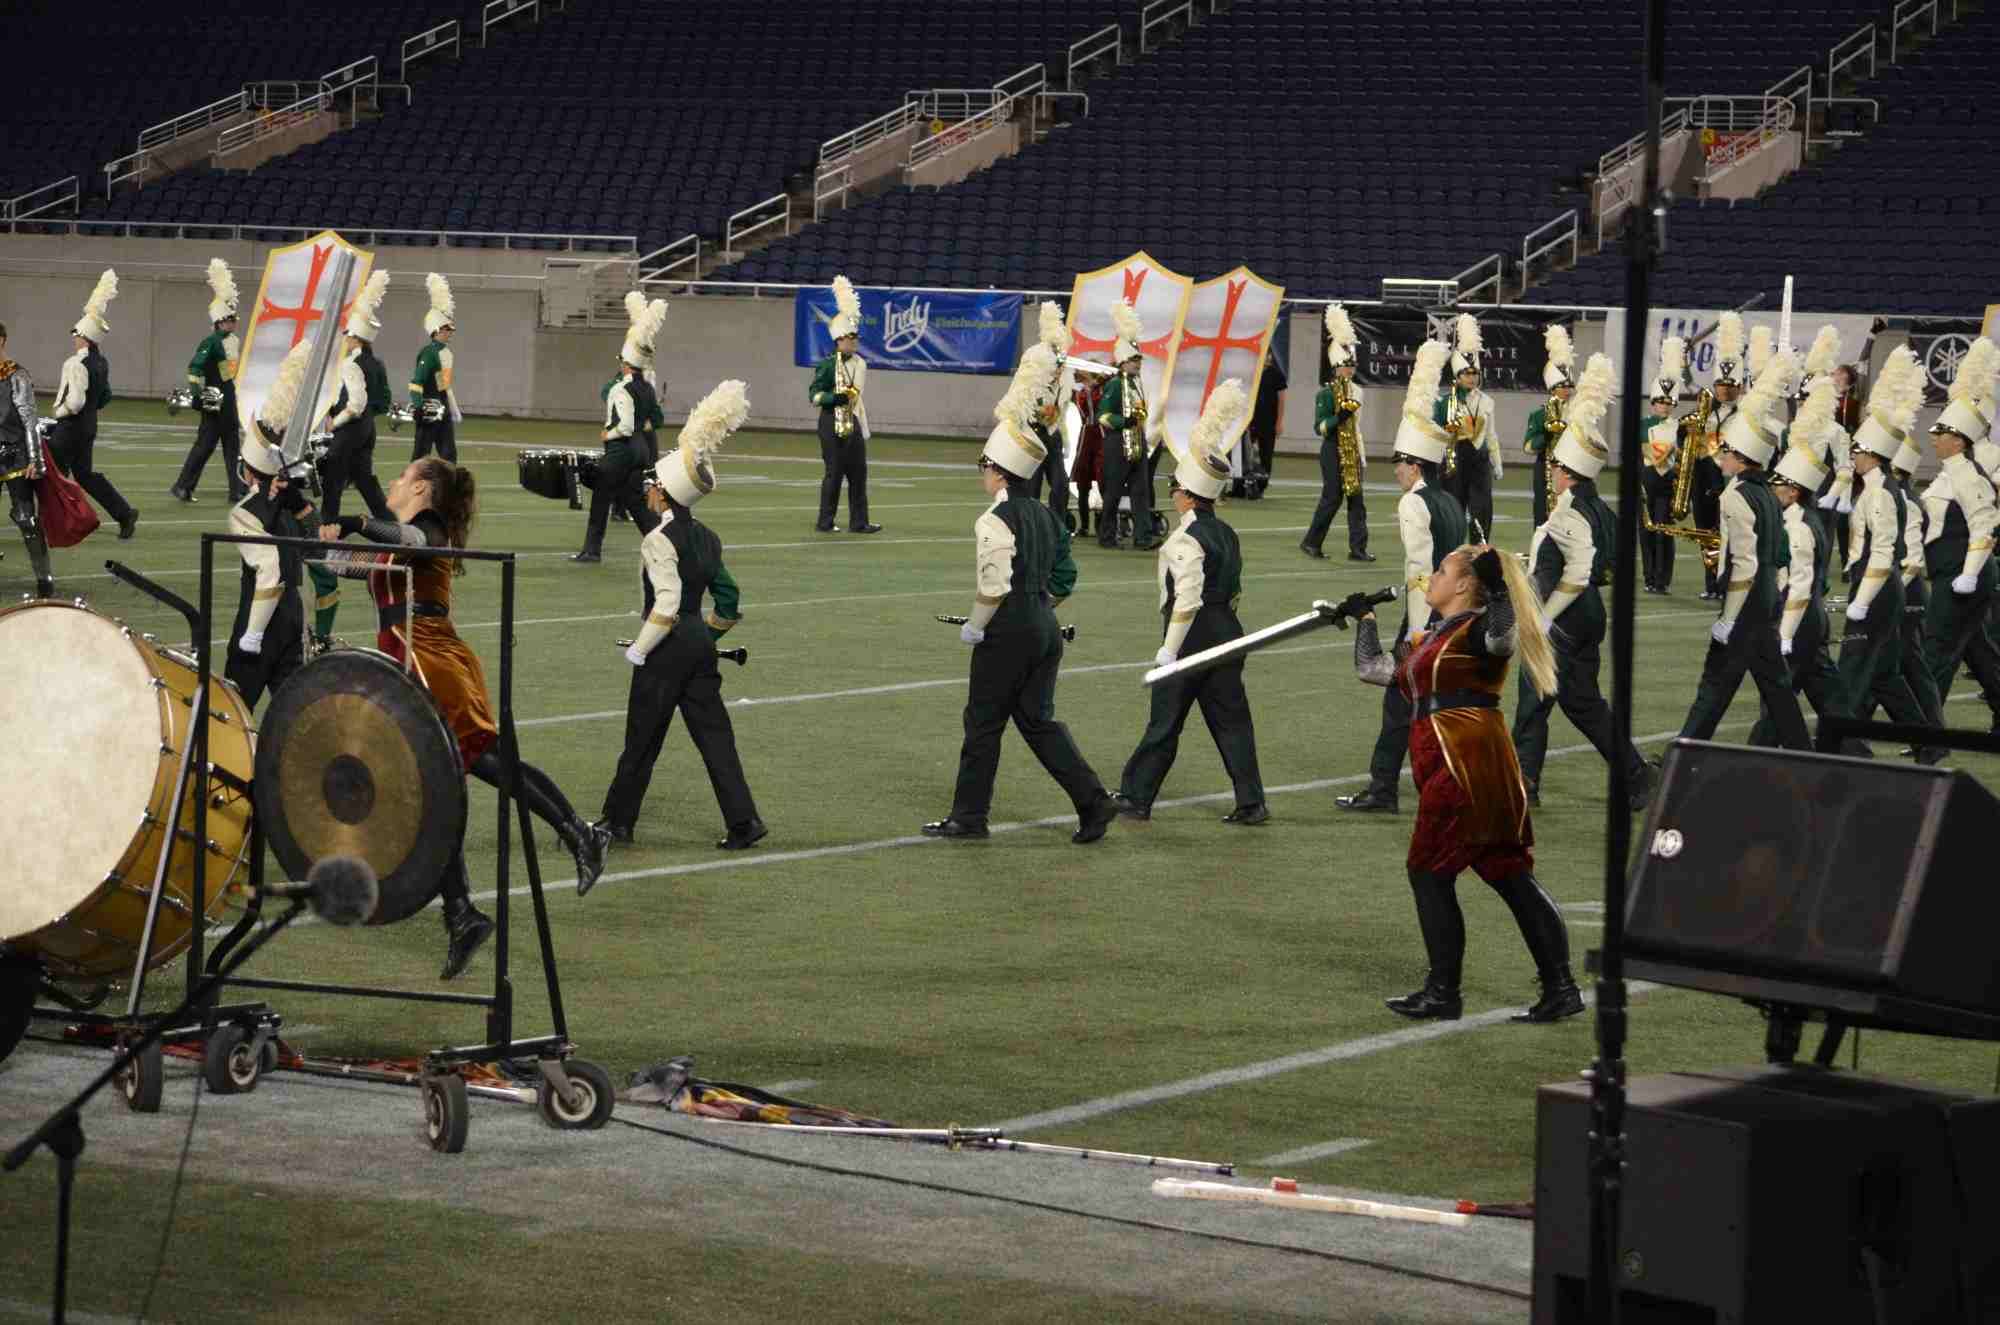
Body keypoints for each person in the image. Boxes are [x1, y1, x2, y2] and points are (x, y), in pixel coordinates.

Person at [317, 445, 611, 974]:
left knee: (482, 759)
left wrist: (357, 521)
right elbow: (341, 564)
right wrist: (305, 521)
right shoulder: (401, 543)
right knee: (434, 787)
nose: (393, 482)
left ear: (422, 488)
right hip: (408, 657)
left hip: (430, 656)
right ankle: (461, 914)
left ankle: (580, 834)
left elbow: (406, 540)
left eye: (403, 476)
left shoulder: (426, 528)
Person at [1350, 543, 1578, 1023]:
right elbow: (1376, 671)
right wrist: (1365, 619)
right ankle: (1560, 987)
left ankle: (1443, 992)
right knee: (1509, 874)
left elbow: (1503, 639)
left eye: (1442, 570)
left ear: (1464, 585)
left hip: (1462, 762)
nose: (1431, 577)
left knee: (1429, 871)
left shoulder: (1479, 629)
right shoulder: (1438, 634)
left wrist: (1497, 589)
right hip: (1467, 760)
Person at [922, 356, 1117, 844]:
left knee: (983, 724)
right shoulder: (1049, 517)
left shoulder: (993, 519)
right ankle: (1094, 802)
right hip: (1044, 628)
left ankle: (969, 818)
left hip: (1007, 632)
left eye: (985, 466)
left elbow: (993, 587)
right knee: (1038, 722)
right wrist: (1037, 609)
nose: (983, 474)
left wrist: (976, 625)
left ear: (1001, 472)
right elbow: (1065, 577)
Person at [598, 380, 765, 854]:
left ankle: (617, 822)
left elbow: (666, 606)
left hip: (667, 649)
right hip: (699, 647)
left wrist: (639, 648)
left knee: (641, 739)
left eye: (653, 485)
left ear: (665, 494)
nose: (649, 491)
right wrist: (705, 637)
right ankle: (745, 821)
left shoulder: (657, 539)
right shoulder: (708, 538)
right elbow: (728, 598)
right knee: (716, 740)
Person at [1113, 382, 1268, 825]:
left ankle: (1136, 797)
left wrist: (1169, 649)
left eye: (1175, 487)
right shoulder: (1227, 533)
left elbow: (1187, 600)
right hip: (1228, 631)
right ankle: (1252, 801)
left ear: (1185, 493)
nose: (1172, 493)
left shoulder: (1186, 537)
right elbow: (1233, 589)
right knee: (1232, 721)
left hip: (1192, 636)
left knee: (1164, 721)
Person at [1510, 353, 1655, 809]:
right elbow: (1602, 564)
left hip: (1566, 618)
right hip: (1591, 614)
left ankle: (1524, 783)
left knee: (1535, 700)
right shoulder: (1601, 509)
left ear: (1568, 473)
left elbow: (1580, 569)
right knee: (1581, 703)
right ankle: (1634, 777)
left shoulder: (1569, 510)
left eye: (1556, 466)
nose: (1551, 472)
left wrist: (1545, 617)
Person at [1337, 339, 1468, 814]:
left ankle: (1387, 789)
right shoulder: (1451, 501)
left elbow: (1419, 570)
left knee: (1404, 702)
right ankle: (1408, 785)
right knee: (1429, 703)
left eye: (1399, 463)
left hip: (1427, 615)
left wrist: (1416, 629)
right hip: (1455, 612)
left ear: (1415, 465)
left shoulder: (1414, 502)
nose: (1395, 470)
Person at [1677, 346, 1812, 749]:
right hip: (1766, 600)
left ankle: (1684, 756)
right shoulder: (1769, 493)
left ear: (1741, 457)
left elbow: (1746, 564)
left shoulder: (1734, 495)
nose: (1721, 456)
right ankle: (1804, 752)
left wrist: (1729, 617)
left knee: (1714, 686)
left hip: (1746, 605)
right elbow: (1779, 554)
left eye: (1727, 451)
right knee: (1777, 690)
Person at [1836, 350, 1942, 757]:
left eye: (1857, 451)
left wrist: (1861, 600)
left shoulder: (1880, 494)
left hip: (1878, 587)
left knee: (1852, 667)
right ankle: (1928, 745)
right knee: (1884, 677)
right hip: (1882, 587)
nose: (1853, 457)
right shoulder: (1878, 490)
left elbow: (1881, 553)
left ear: (1872, 455)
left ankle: (1842, 747)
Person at [1750, 404, 1854, 750]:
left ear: (1794, 491)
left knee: (1776, 698)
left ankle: (1754, 757)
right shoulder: (1804, 519)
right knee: (1828, 698)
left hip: (1799, 620)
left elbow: (1800, 585)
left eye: (1778, 485)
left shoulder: (1798, 528)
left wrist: (1784, 633)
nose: (1772, 489)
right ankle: (1854, 752)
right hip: (1810, 619)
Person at [225, 348, 317, 709]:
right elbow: (317, 541)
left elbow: (269, 570)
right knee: (296, 716)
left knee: (232, 712)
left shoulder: (246, 511)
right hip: (296, 616)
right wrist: (301, 505)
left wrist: (253, 633)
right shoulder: (294, 502)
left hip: (263, 617)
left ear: (249, 471)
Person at [1918, 336, 2000, 730]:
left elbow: (1984, 523)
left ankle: (1926, 734)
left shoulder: (1969, 472)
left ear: (1958, 439)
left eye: (1941, 431)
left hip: (1964, 573)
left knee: (1936, 649)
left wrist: (1968, 573)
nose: (1932, 436)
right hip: (1951, 571)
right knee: (1978, 652)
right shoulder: (1949, 472)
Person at [572, 300, 667, 562]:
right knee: (636, 503)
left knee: (601, 497)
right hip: (642, 449)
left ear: (625, 364)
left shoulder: (620, 388)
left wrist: (608, 434)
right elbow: (654, 418)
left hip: (621, 450)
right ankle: (662, 545)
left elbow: (623, 426)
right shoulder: (648, 388)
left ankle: (591, 550)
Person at [48, 268, 137, 540]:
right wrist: (88, 411)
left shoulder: (75, 363)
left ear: (84, 337)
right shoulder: (101, 362)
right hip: (88, 427)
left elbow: (74, 402)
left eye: (76, 334)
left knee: (51, 476)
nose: (74, 338)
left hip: (70, 428)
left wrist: (59, 412)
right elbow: (105, 396)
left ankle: (60, 523)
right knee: (85, 476)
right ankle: (124, 513)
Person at [169, 258, 244, 504]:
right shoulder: (210, 342)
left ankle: (236, 489)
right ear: (219, 321)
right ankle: (182, 486)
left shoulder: (234, 341)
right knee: (204, 446)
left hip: (229, 398)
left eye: (234, 318)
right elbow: (194, 368)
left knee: (233, 447)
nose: (234, 322)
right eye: (230, 319)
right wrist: (196, 394)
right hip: (214, 400)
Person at [808, 274, 879, 533]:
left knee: (859, 473)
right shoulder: (827, 365)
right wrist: (833, 398)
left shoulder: (860, 363)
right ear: (839, 339)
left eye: (855, 337)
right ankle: (825, 521)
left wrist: (859, 420)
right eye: (850, 337)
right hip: (830, 422)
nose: (854, 341)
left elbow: (856, 395)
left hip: (853, 419)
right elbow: (814, 395)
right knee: (834, 473)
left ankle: (859, 522)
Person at [1300, 302, 1371, 562]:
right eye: (1345, 365)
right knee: (1332, 498)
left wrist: (1360, 455)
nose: (1350, 369)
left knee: (1357, 499)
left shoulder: (1358, 391)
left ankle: (1358, 549)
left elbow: (1357, 426)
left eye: (1352, 365)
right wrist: (1339, 417)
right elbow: (1319, 427)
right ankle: (1311, 542)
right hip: (1332, 449)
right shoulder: (1326, 394)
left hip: (1353, 448)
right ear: (1335, 366)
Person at [1095, 298, 1157, 550]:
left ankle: (1143, 537)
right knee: (1112, 493)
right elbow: (1103, 416)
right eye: (1133, 359)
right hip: (1117, 444)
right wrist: (1124, 421)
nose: (1138, 363)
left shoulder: (1135, 384)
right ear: (1122, 361)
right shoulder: (1113, 384)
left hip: (1137, 442)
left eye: (1139, 359)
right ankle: (1106, 536)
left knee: (1141, 492)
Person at [1694, 312, 1745, 600]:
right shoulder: (1703, 411)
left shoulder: (1746, 413)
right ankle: (1711, 582)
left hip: (1732, 480)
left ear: (1739, 387)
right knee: (1706, 531)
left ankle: (1729, 583)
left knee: (1733, 534)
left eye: (1730, 386)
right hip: (1705, 479)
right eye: (1721, 385)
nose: (1725, 390)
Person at [0, 323, 53, 597]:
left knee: (26, 519)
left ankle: (44, 578)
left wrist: (35, 458)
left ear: (2, 341)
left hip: (15, 454)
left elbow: (30, 419)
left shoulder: (16, 375)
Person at [1437, 313, 1499, 540]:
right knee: (1454, 507)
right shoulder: (1445, 401)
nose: (1472, 378)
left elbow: (1491, 435)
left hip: (1480, 460)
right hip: (1455, 457)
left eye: (1475, 373)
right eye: (1467, 373)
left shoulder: (1486, 401)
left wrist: (1497, 461)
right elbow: (1438, 433)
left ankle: (1479, 549)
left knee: (1482, 508)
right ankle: (1452, 549)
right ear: (1457, 375)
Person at [1639, 337, 1685, 595]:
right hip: (1647, 482)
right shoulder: (1643, 425)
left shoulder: (1680, 427)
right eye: (1660, 401)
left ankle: (1662, 579)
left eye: (1669, 402)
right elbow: (1646, 453)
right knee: (1647, 532)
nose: (1664, 406)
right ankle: (1649, 577)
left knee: (1664, 532)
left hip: (1668, 484)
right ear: (1653, 402)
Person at [1024, 300, 1075, 523]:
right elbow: (1022, 398)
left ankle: (1058, 526)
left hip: (1053, 436)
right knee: (1032, 488)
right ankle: (1032, 527)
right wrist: (1037, 412)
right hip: (1034, 435)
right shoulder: (1033, 366)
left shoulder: (1063, 378)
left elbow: (1062, 406)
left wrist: (1062, 433)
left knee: (1061, 484)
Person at [1523, 324, 1576, 531]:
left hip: (1570, 469)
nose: (1566, 390)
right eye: (1562, 386)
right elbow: (1528, 447)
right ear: (1552, 388)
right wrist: (1546, 434)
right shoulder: (1539, 415)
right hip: (1544, 469)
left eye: (1569, 386)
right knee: (1541, 515)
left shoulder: (1578, 413)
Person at [408, 272, 460, 463]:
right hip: (428, 410)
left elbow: (443, 385)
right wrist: (418, 407)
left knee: (449, 455)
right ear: (436, 330)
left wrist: (452, 408)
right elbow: (416, 383)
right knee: (420, 455)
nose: (450, 333)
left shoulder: (446, 353)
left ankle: (449, 482)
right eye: (447, 329)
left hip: (442, 409)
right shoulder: (429, 353)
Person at [1246, 339, 1287, 483]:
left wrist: (1279, 423)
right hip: (1249, 422)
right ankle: (1241, 485)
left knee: (1266, 455)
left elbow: (1281, 400)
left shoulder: (1276, 375)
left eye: (1267, 354)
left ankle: (1262, 485)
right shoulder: (1250, 373)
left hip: (1269, 423)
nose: (1265, 357)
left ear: (1270, 356)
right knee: (1244, 454)